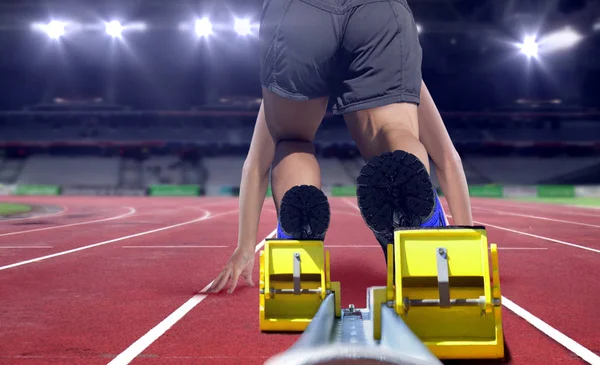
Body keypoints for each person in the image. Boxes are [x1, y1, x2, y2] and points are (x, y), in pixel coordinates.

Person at [206, 0, 473, 294]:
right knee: (394, 130)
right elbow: (447, 157)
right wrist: (467, 245)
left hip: (301, 12)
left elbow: (256, 164)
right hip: (380, 12)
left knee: (292, 141)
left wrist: (246, 247)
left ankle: (299, 256)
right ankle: (422, 228)